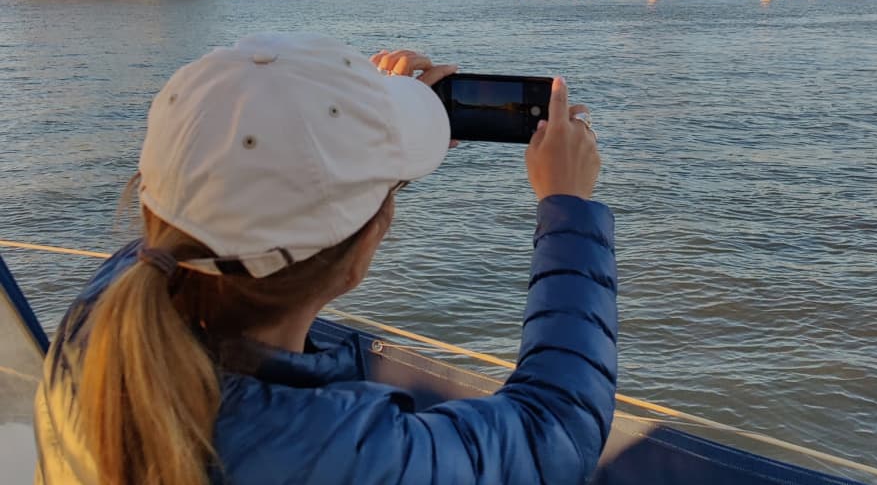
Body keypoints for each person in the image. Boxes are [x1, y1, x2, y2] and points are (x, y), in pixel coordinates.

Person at [34, 33, 617, 485]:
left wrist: (353, 139)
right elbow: (555, 426)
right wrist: (567, 206)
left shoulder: (101, 315)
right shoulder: (346, 454)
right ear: (355, 264)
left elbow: (241, 193)